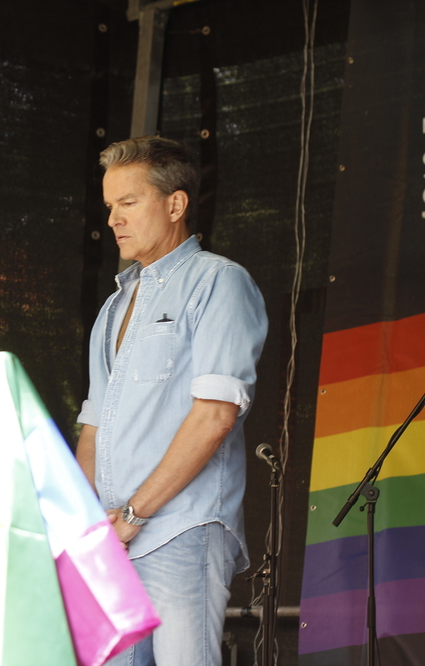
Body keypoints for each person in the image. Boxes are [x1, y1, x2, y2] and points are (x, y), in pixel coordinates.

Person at [75, 136, 268, 666]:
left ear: (176, 204)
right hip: (114, 537)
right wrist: (88, 523)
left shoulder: (219, 282)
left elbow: (215, 415)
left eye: (128, 202)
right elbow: (94, 423)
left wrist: (134, 513)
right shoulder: (114, 307)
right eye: (109, 205)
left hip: (181, 529)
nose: (113, 219)